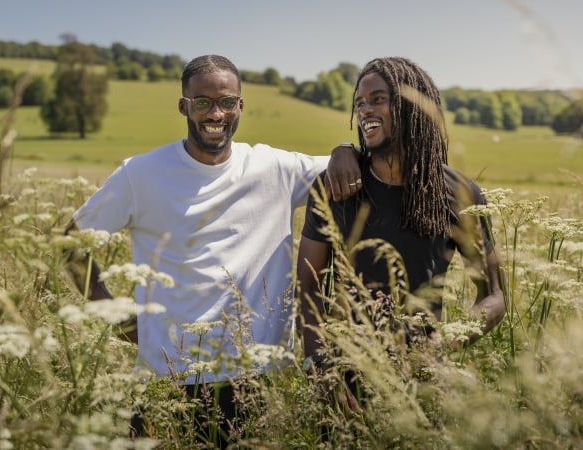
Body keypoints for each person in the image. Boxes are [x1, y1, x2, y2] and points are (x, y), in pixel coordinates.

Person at [66, 54, 362, 447]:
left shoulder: (274, 167)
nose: (215, 113)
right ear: (183, 106)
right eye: (202, 102)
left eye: (226, 102)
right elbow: (70, 245)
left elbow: (353, 171)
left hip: (259, 380)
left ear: (240, 106)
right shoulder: (140, 174)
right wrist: (118, 318)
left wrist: (345, 146)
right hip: (168, 382)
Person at [297, 57, 506, 403]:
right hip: (346, 387)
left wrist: (445, 343)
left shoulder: (459, 194)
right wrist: (321, 367)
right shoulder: (337, 185)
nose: (365, 110)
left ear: (412, 105)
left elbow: (494, 296)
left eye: (378, 99)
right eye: (360, 103)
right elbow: (309, 287)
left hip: (423, 383)